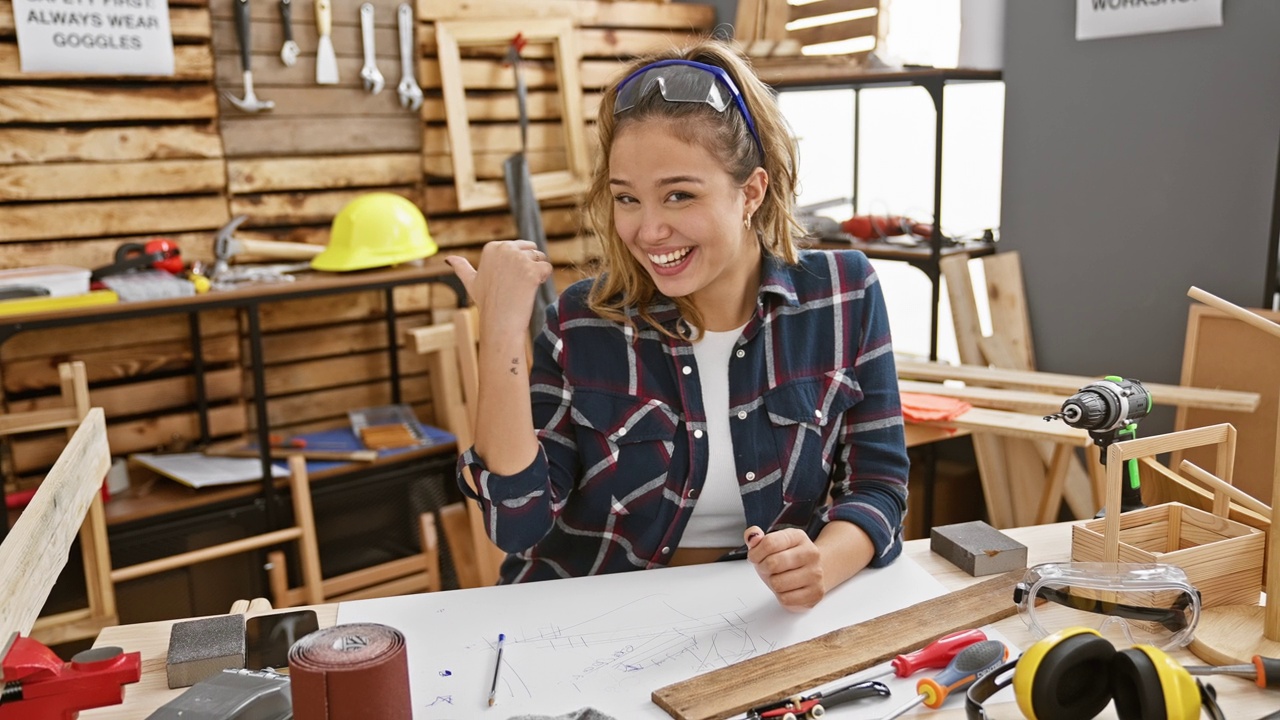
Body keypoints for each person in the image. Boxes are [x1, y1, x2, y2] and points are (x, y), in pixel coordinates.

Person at [445, 39, 908, 610]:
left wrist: (822, 565)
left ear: (751, 193)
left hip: (758, 617)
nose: (647, 230)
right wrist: (499, 336)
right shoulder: (580, 323)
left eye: (679, 195)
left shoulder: (843, 293)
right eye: (627, 199)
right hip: (588, 619)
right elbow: (517, 524)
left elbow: (878, 486)